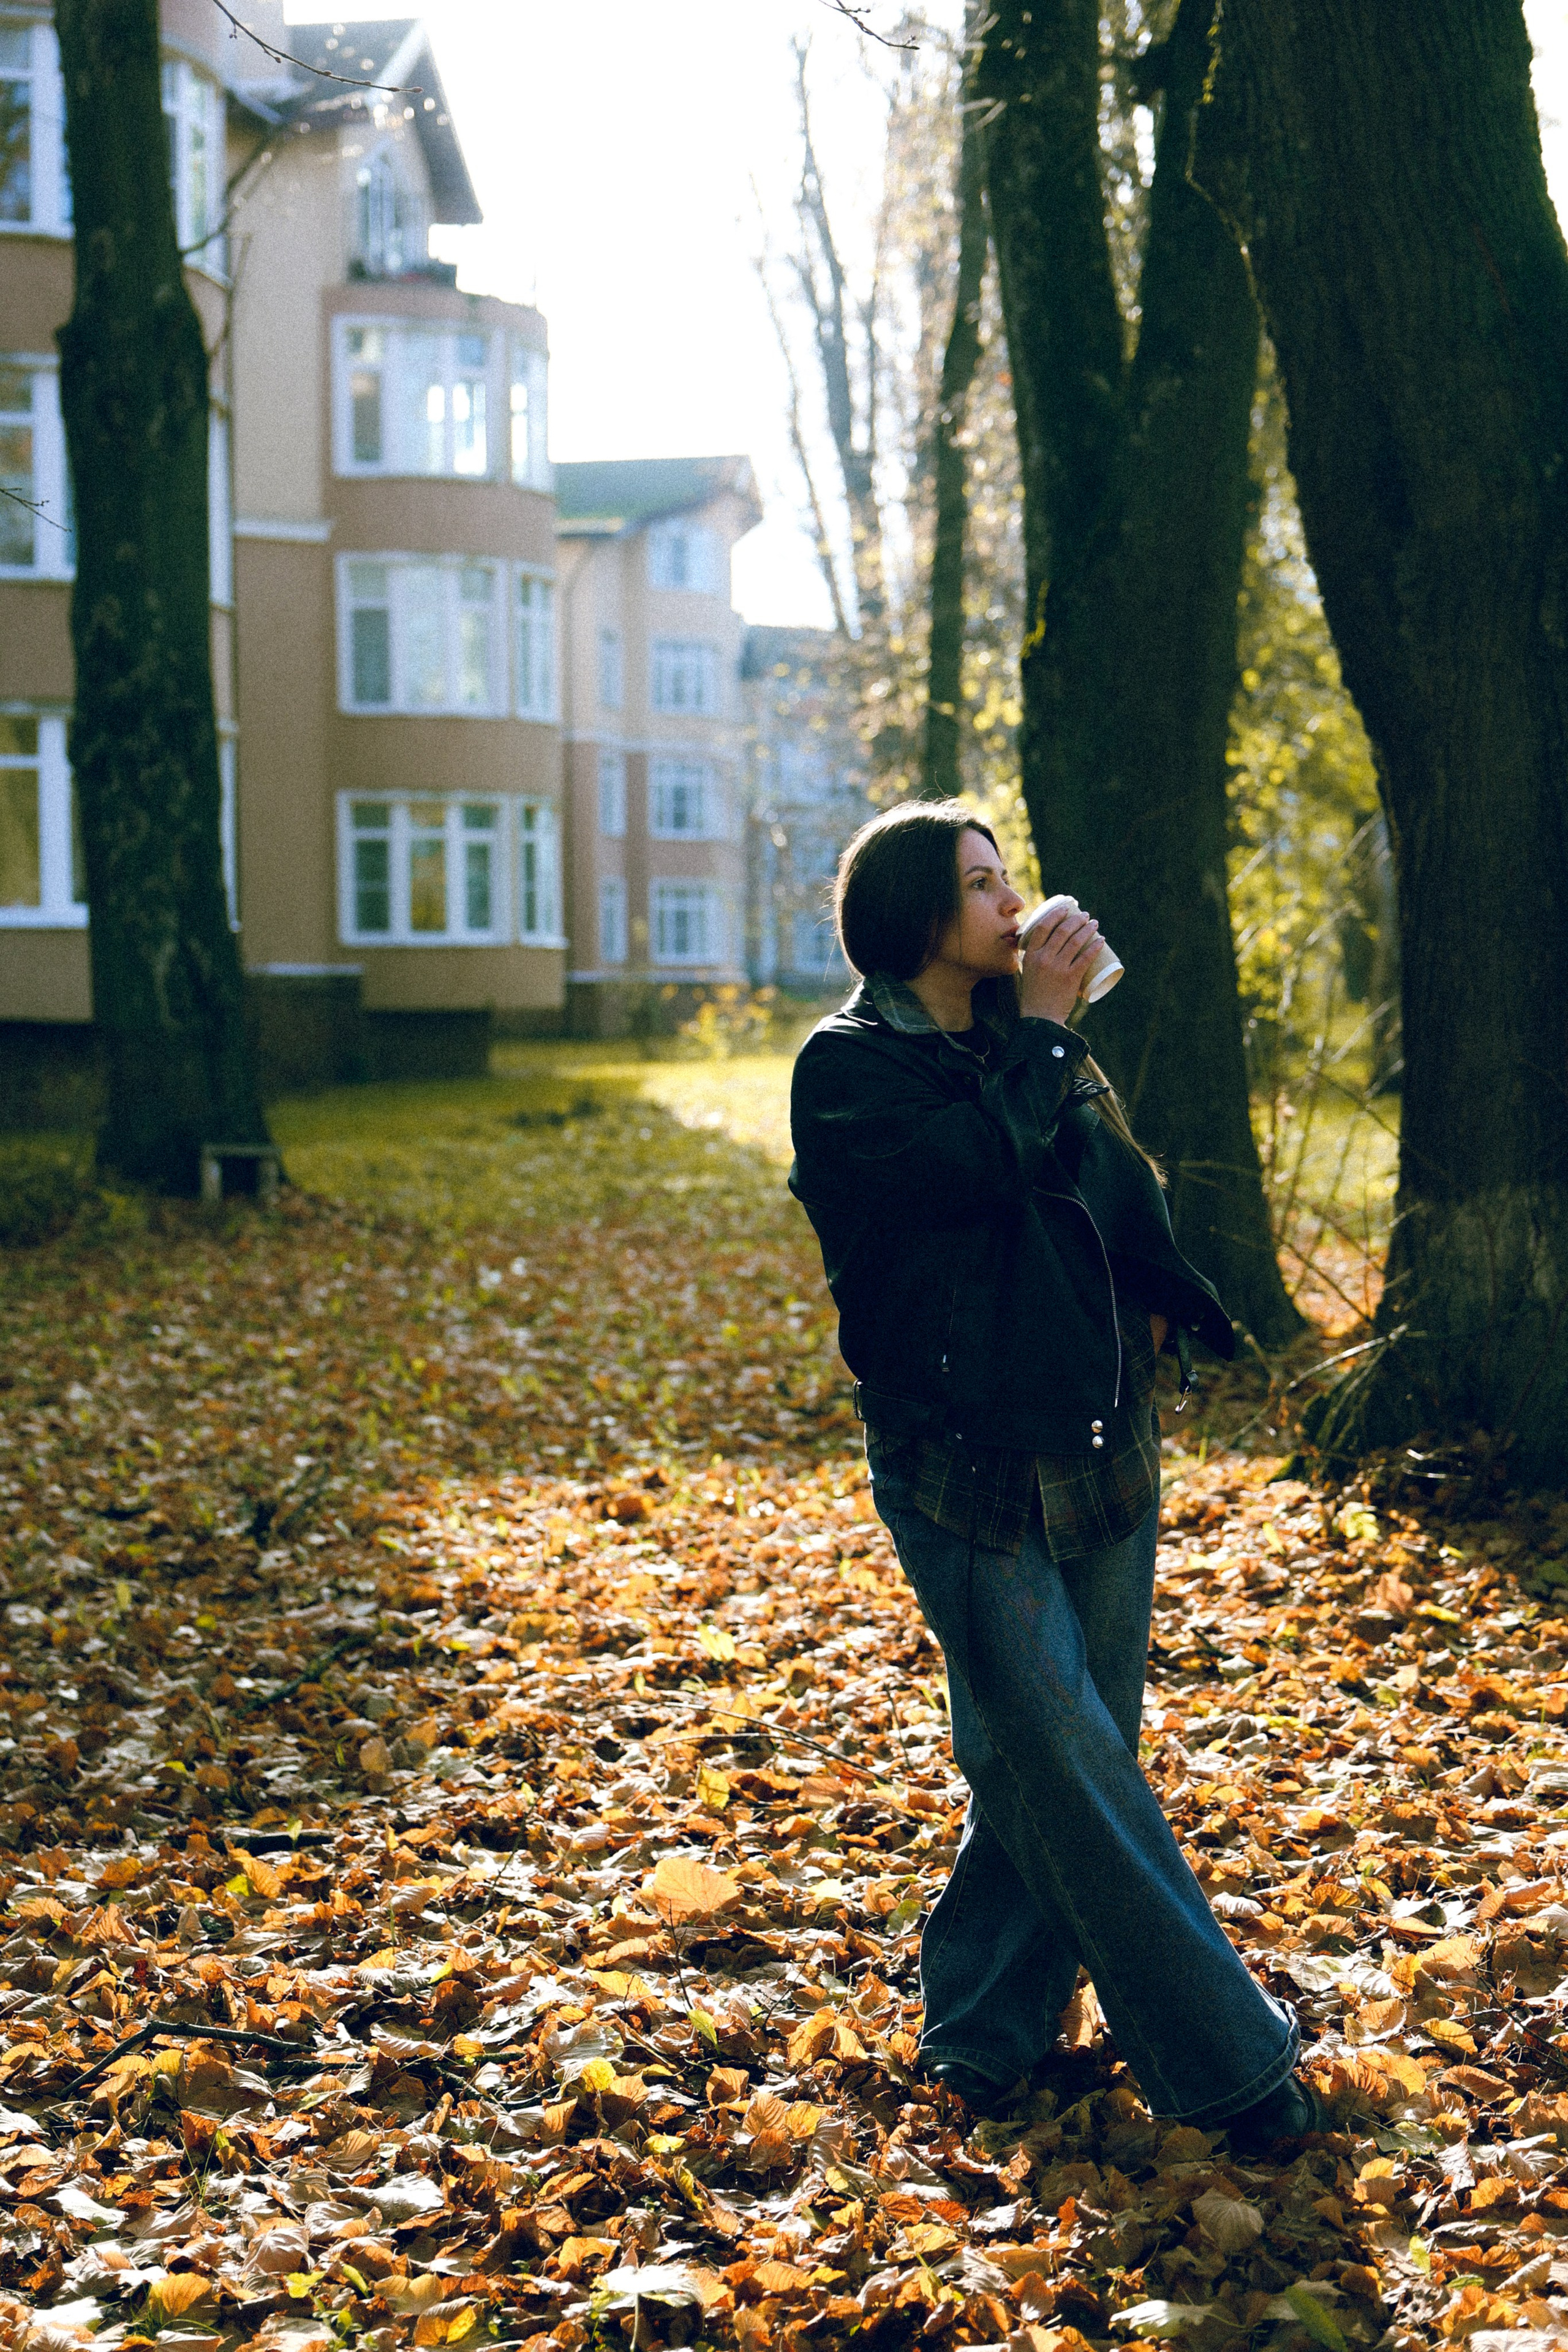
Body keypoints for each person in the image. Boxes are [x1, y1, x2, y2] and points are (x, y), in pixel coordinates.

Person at [788, 802, 1325, 2147]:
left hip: (1099, 1443)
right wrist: (1039, 1028)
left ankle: (981, 2034)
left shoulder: (1033, 1044)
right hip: (960, 1465)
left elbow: (1112, 1186)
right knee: (1065, 1762)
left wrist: (1159, 1305)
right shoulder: (847, 1066)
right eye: (978, 885)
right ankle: (1233, 2072)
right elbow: (971, 1175)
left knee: (1057, 1760)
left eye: (1004, 876)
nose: (1008, 901)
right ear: (915, 918)